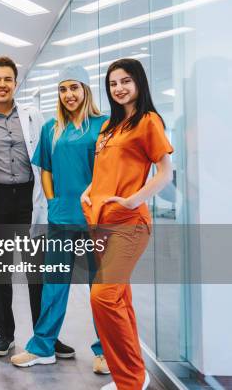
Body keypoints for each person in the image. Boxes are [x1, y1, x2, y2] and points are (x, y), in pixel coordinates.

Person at [0, 56, 74, 358]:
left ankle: (47, 336)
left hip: (30, 198)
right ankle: (5, 335)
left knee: (37, 272)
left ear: (16, 83)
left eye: (7, 80)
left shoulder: (33, 115)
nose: (2, 85)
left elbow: (48, 156)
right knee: (0, 272)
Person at [10, 65, 109, 374]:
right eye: (63, 89)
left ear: (86, 90)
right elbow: (46, 169)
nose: (68, 94)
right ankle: (43, 347)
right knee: (54, 282)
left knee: (101, 287)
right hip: (61, 216)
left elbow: (110, 170)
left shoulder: (103, 125)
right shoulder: (51, 127)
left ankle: (106, 351)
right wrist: (52, 202)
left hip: (96, 216)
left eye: (74, 88)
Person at [81, 59, 173, 390]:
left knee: (103, 297)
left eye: (126, 81)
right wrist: (88, 192)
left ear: (139, 84)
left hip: (130, 224)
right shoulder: (109, 127)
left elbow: (165, 172)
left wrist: (134, 200)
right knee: (120, 299)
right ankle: (132, 376)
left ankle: (131, 380)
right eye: (113, 83)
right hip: (100, 223)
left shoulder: (148, 121)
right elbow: (103, 170)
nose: (119, 88)